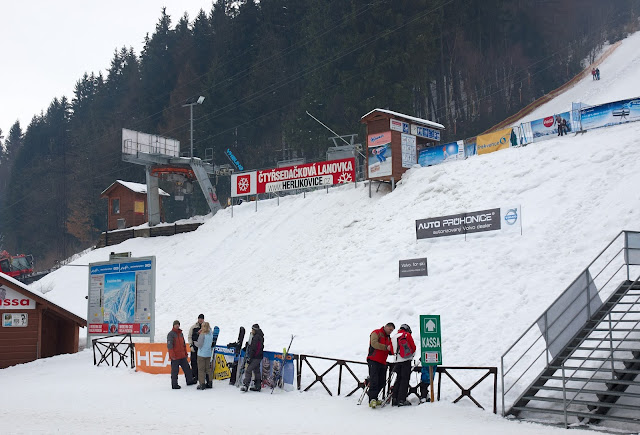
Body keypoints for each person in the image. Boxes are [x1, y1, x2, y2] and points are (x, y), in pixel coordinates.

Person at [367, 322, 395, 408]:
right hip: (374, 360)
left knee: (382, 381)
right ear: (386, 327)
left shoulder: (388, 338)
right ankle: (372, 399)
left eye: (392, 331)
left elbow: (389, 349)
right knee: (374, 380)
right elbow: (374, 343)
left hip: (382, 361)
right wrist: (386, 347)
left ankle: (374, 397)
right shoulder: (376, 332)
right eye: (390, 330)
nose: (390, 332)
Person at [389, 324, 417, 407]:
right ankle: (401, 400)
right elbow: (413, 347)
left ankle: (395, 398)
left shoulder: (394, 337)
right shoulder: (406, 335)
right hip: (406, 360)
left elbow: (391, 350)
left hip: (397, 361)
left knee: (398, 379)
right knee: (404, 380)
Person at [167, 320, 195, 389]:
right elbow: (169, 346)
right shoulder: (171, 334)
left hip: (182, 355)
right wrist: (172, 355)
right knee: (175, 371)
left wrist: (185, 353)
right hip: (175, 356)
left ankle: (189, 381)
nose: (177, 326)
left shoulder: (181, 333)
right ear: (173, 325)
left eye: (178, 324)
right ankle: (174, 384)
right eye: (176, 324)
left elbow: (183, 344)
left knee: (187, 369)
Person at [241, 324, 264, 392]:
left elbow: (253, 348)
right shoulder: (260, 336)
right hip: (258, 356)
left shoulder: (256, 337)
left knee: (248, 370)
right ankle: (257, 385)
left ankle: (246, 385)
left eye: (252, 329)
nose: (252, 331)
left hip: (255, 357)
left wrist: (250, 358)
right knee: (256, 370)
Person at [194, 322, 214, 390]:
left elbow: (199, 344)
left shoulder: (202, 335)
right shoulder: (210, 334)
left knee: (201, 370)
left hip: (201, 354)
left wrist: (195, 342)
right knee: (208, 369)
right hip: (208, 354)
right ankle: (209, 382)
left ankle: (202, 384)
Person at [188, 314, 205, 383]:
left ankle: (201, 375)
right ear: (198, 319)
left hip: (202, 348)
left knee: (201, 362)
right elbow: (189, 337)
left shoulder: (206, 327)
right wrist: (191, 345)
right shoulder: (193, 327)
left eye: (202, 319)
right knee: (194, 362)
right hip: (194, 347)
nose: (200, 320)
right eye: (199, 318)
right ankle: (195, 375)